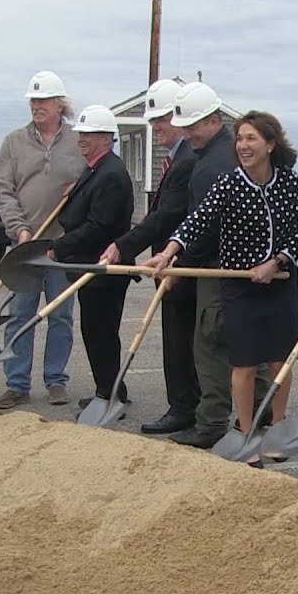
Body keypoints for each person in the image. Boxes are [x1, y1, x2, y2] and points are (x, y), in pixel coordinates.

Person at [145, 111, 298, 467]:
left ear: (270, 143)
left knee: (280, 361)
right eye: (240, 139)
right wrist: (169, 253)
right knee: (244, 363)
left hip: (279, 283)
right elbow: (197, 221)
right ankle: (247, 436)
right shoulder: (230, 182)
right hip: (239, 285)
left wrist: (276, 262)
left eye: (252, 138)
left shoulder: (288, 182)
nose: (244, 145)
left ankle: (277, 431)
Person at [159, 83, 269, 449]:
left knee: (211, 346)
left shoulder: (209, 167)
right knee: (251, 344)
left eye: (193, 126)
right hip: (253, 268)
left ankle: (210, 425)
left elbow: (204, 227)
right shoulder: (235, 156)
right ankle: (261, 412)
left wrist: (179, 263)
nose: (187, 133)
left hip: (218, 270)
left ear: (214, 120)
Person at [101, 79, 202, 435]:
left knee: (180, 341)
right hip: (168, 260)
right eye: (153, 119)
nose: (155, 126)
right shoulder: (180, 158)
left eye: (161, 119)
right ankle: (185, 405)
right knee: (177, 338)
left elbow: (167, 215)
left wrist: (124, 244)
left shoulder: (188, 161)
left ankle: (184, 408)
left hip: (180, 263)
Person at [0, 71, 84, 411]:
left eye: (42, 101)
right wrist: (19, 229)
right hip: (25, 244)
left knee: (60, 315)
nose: (36, 107)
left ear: (60, 105)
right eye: (33, 101)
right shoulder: (14, 142)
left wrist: (79, 189)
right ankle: (16, 383)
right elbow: (3, 188)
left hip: (61, 246)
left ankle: (56, 380)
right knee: (20, 314)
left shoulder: (79, 142)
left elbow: (94, 181)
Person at [55, 105, 134, 408]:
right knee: (94, 332)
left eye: (88, 134)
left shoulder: (111, 173)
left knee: (101, 333)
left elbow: (99, 226)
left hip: (104, 269)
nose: (81, 139)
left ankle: (111, 394)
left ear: (105, 138)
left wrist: (59, 246)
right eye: (81, 134)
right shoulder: (95, 170)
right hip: (90, 267)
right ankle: (109, 388)